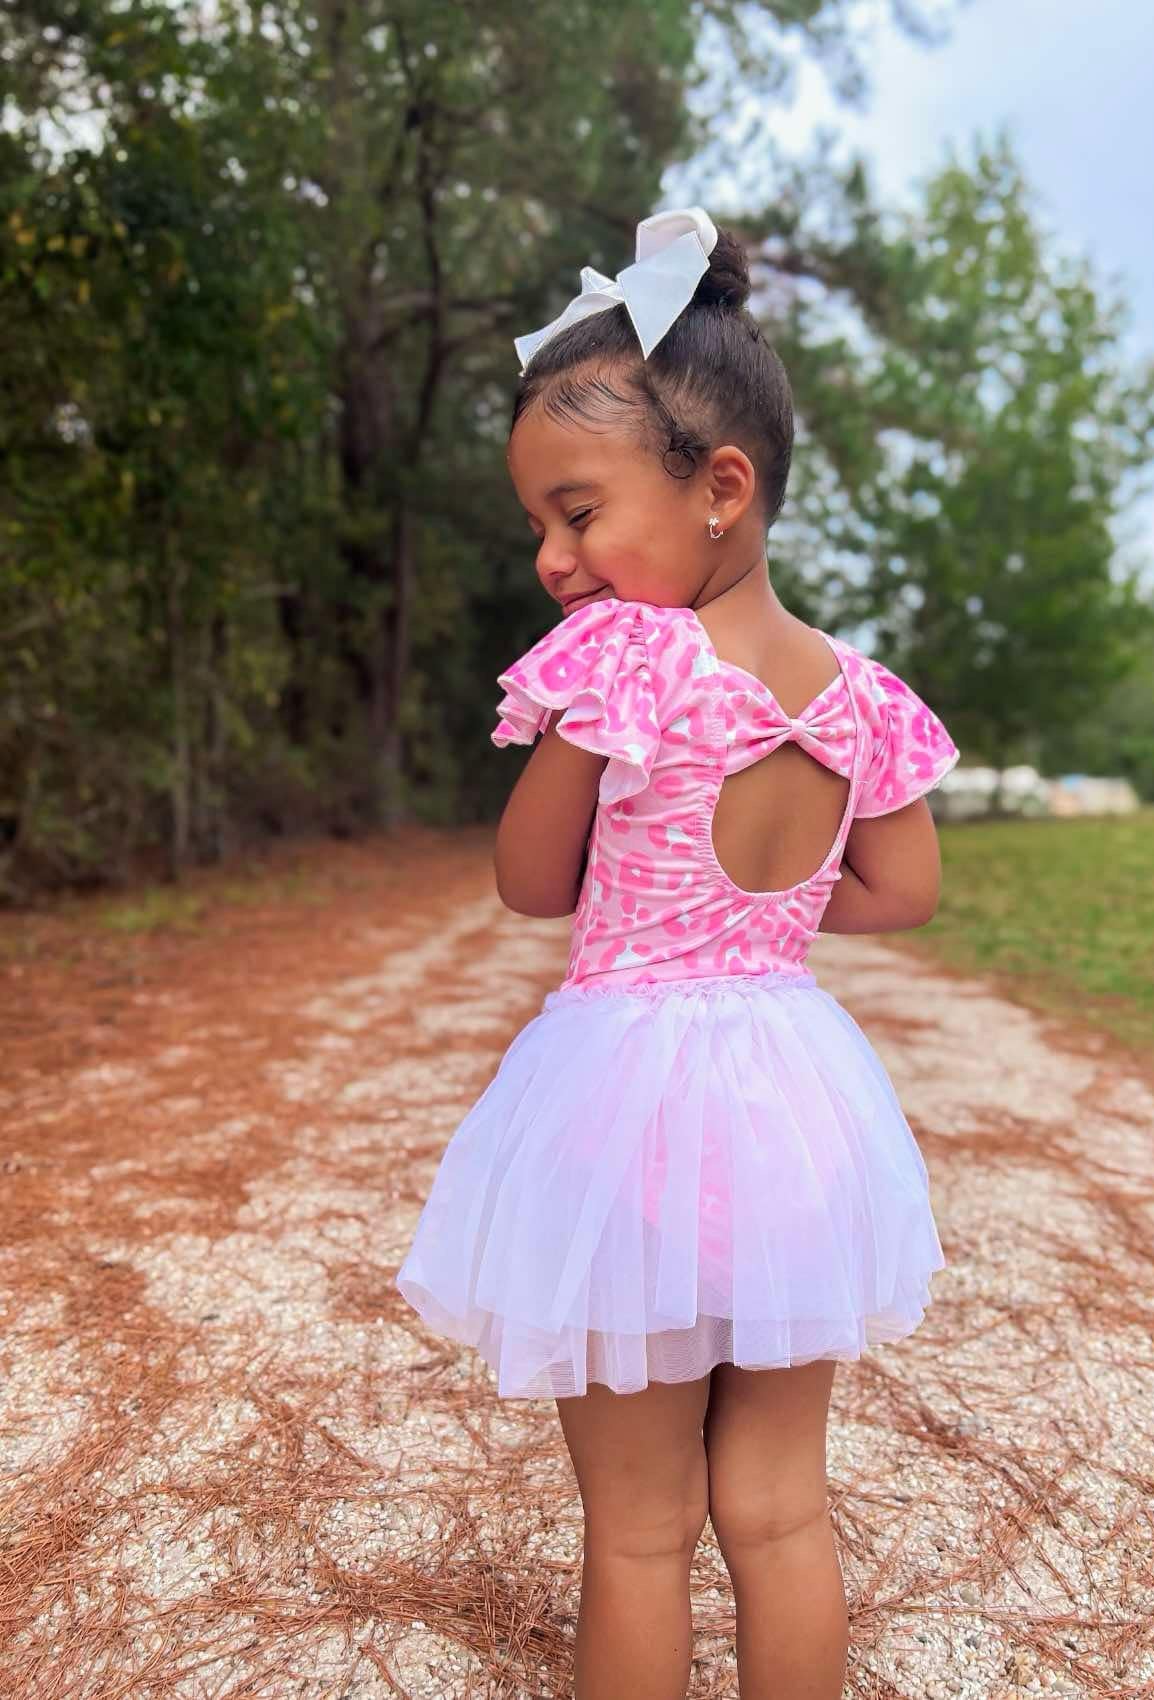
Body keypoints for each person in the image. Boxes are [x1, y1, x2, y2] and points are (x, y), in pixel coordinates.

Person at [396, 205, 960, 1700]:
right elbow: (902, 888)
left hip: (631, 1104)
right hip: (795, 1104)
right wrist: (767, 912)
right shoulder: (861, 691)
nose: (552, 560)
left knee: (639, 1532)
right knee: (778, 1506)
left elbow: (532, 883)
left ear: (721, 488)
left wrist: (589, 743)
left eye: (577, 514)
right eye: (543, 524)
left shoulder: (626, 661)